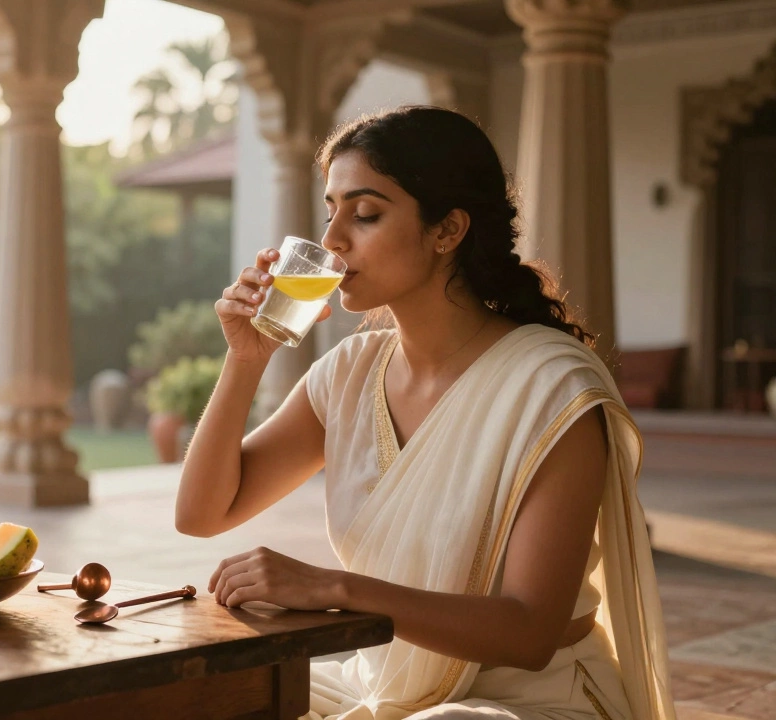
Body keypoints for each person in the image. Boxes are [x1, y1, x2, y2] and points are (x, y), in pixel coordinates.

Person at [175, 107, 675, 720]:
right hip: (383, 685)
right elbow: (202, 513)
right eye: (329, 211)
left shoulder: (551, 388)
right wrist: (246, 359)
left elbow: (528, 631)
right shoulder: (350, 372)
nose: (332, 239)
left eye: (365, 214)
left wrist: (333, 589)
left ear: (448, 230)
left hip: (527, 701)